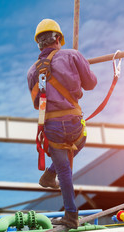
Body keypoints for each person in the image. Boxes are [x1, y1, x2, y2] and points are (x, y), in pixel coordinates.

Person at [27, 19, 97, 229]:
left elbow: (36, 103)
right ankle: (51, 174)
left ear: (39, 44)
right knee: (81, 139)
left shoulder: (32, 72)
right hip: (74, 123)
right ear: (58, 39)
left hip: (51, 126)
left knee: (63, 169)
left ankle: (69, 214)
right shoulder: (72, 55)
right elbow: (91, 84)